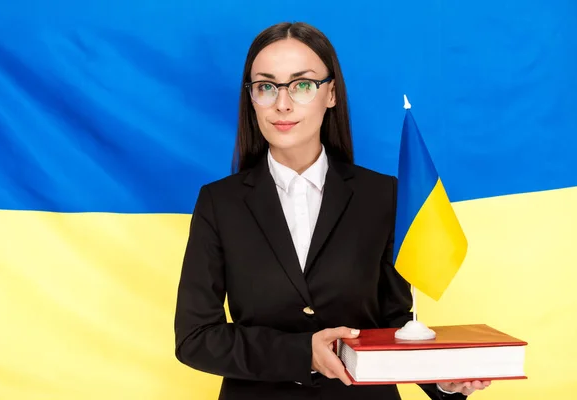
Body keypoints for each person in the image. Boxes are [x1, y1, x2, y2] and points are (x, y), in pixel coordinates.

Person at [174, 21, 490, 400]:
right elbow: (195, 337)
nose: (282, 103)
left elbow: (395, 323)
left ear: (331, 95)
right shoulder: (219, 202)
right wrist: (301, 353)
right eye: (265, 87)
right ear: (251, 97)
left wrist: (441, 381)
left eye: (302, 85)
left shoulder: (383, 194)